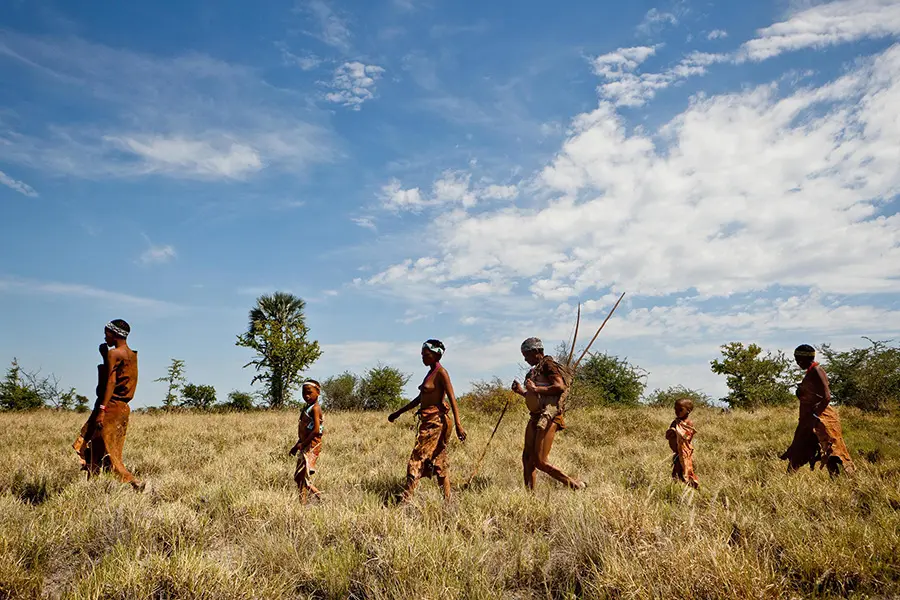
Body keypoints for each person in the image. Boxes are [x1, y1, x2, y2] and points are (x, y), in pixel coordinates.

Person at [388, 340, 467, 502]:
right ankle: (447, 499)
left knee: (418, 457)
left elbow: (452, 398)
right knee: (438, 459)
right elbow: (420, 399)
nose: (423, 357)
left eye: (427, 355)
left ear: (437, 355)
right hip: (428, 420)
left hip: (436, 423)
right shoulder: (430, 373)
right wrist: (398, 413)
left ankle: (407, 498)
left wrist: (459, 425)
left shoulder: (441, 373)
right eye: (422, 355)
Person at [72, 319, 145, 491]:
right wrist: (104, 356)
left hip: (110, 407)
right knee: (100, 447)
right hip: (122, 408)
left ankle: (134, 483)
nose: (105, 337)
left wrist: (102, 410)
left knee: (109, 451)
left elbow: (111, 382)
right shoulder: (131, 354)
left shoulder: (114, 354)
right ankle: (94, 487)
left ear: (115, 334)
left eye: (107, 333)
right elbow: (119, 376)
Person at [512, 337, 586, 491]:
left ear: (536, 352)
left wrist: (535, 389)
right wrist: (521, 392)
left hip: (549, 417)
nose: (525, 359)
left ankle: (574, 485)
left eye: (526, 355)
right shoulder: (534, 371)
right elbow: (535, 397)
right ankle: (530, 497)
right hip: (535, 416)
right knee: (527, 458)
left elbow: (559, 386)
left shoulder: (548, 365)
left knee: (540, 461)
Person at [780, 344, 855, 476]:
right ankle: (787, 480)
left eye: (798, 359)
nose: (797, 363)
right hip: (810, 420)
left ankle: (845, 480)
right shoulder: (811, 371)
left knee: (831, 451)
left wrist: (815, 415)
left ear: (803, 359)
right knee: (800, 448)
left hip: (822, 419)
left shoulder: (817, 371)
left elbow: (827, 397)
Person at [289, 380, 324, 503]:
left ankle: (309, 500)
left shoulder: (315, 408)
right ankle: (313, 498)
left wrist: (302, 444)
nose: (306, 396)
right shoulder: (307, 408)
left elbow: (315, 430)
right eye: (304, 393)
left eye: (309, 392)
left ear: (318, 392)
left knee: (300, 476)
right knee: (299, 477)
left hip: (312, 445)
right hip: (305, 444)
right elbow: (306, 431)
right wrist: (296, 445)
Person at [666, 398, 699, 489]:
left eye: (680, 410)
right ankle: (676, 487)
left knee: (685, 470)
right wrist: (671, 432)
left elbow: (687, 436)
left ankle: (690, 487)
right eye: (675, 409)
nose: (677, 412)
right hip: (677, 452)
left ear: (688, 411)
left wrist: (677, 432)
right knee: (676, 470)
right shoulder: (675, 422)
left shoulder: (688, 423)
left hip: (684, 452)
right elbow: (668, 435)